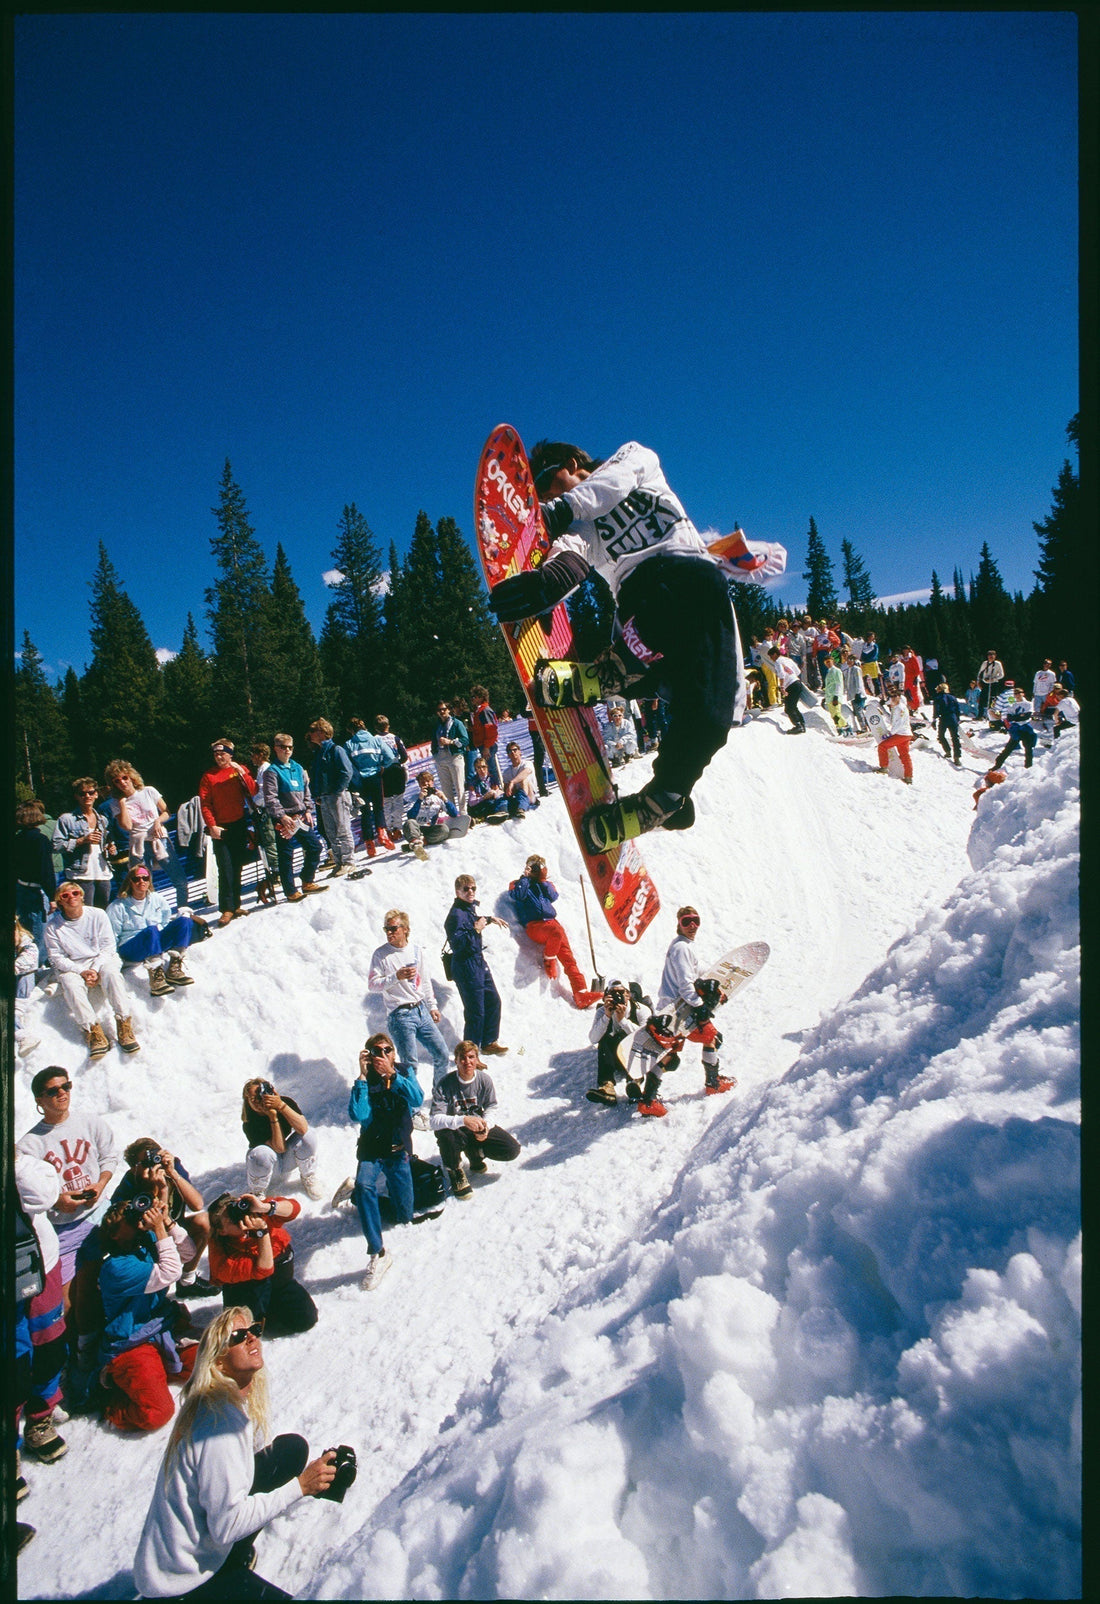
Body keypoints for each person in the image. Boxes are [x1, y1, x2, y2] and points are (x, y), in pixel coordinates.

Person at [488, 439, 785, 851]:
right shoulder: (578, 526)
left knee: (713, 719)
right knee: (666, 609)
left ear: (573, 463)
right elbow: (571, 557)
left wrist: (560, 509)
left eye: (547, 482)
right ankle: (605, 676)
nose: (549, 496)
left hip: (692, 591)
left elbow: (610, 484)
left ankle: (663, 799)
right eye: (542, 497)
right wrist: (547, 584)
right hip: (642, 609)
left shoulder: (635, 459)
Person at [132, 1305, 339, 1600]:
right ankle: (225, 1573)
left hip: (199, 1546)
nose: (253, 1339)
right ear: (218, 1362)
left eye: (254, 1330)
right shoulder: (219, 1427)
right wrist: (301, 1487)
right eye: (239, 1337)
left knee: (290, 1450)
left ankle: (232, 1558)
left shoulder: (223, 1400)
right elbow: (226, 1526)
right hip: (182, 1582)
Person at [16, 1069, 120, 1316]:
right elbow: (24, 1195)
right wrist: (56, 1203)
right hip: (62, 1227)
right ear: (39, 1100)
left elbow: (109, 1157)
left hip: (98, 1213)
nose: (62, 1093)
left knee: (102, 1280)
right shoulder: (29, 1144)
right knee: (65, 1301)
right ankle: (73, 1348)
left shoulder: (90, 1123)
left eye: (66, 1086)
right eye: (52, 1091)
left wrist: (101, 1184)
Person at [94, 1194, 199, 1431]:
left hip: (161, 1329)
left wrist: (167, 1222)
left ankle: (157, 1370)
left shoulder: (146, 1243)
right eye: (128, 1219)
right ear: (114, 1234)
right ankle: (112, 1397)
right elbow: (170, 1273)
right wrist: (160, 1230)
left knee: (208, 1364)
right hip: (131, 1344)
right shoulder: (115, 1267)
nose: (136, 1221)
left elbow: (188, 1253)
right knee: (157, 1413)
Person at [346, 1034, 424, 1289]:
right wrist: (361, 1077)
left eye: (386, 1050)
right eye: (375, 1051)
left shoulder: (403, 1071)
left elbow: (417, 1099)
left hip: (398, 1149)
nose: (382, 1055)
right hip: (371, 1149)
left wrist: (393, 1074)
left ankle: (356, 1194)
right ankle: (377, 1253)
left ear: (393, 1053)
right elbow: (358, 1115)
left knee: (404, 1216)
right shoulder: (365, 1081)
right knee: (366, 1184)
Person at [44, 880, 141, 1055]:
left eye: (75, 893)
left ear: (82, 896)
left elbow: (108, 946)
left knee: (112, 974)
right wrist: (81, 971)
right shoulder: (52, 927)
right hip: (74, 965)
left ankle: (124, 1023)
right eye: (65, 896)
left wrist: (95, 969)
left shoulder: (97, 915)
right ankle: (92, 1030)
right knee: (71, 985)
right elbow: (56, 958)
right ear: (59, 902)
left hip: (101, 959)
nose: (71, 897)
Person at [651, 905, 734, 1107]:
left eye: (696, 920)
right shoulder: (682, 948)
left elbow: (696, 970)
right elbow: (686, 985)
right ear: (678, 924)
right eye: (686, 921)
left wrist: (718, 980)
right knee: (712, 1037)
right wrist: (700, 1007)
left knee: (670, 1055)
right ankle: (713, 1083)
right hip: (678, 1010)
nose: (692, 925)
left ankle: (648, 1099)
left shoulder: (683, 946)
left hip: (673, 1009)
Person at [14, 1151, 68, 1465]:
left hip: (39, 1268)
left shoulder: (22, 1165)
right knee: (13, 1364)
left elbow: (44, 1194)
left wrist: (13, 1163)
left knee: (49, 1346)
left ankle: (40, 1417)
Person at [207, 1192, 318, 1335]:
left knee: (306, 1318)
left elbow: (294, 1209)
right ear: (222, 1231)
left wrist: (265, 1207)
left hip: (279, 1283)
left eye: (239, 1213)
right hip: (247, 1290)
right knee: (245, 1330)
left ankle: (271, 1311)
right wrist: (262, 1232)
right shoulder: (222, 1257)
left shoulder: (257, 1214)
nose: (241, 1219)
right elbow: (263, 1269)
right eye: (232, 1220)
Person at [112, 1137, 214, 1294]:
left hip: (172, 1228)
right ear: (134, 1168)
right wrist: (153, 1188)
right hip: (145, 1237)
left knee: (204, 1221)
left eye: (156, 1158)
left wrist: (173, 1173)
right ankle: (156, 1288)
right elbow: (153, 1222)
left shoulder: (171, 1168)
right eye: (146, 1163)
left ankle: (187, 1280)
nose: (154, 1166)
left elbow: (197, 1205)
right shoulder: (131, 1181)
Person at [368, 910, 450, 1089]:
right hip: (400, 1015)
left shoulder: (416, 951)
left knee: (442, 1054)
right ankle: (412, 1110)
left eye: (393, 928)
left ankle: (440, 1099)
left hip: (421, 1010)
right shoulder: (380, 954)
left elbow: (425, 981)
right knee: (409, 1065)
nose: (389, 932)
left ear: (405, 929)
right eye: (386, 929)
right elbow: (373, 985)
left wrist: (433, 1006)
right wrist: (396, 976)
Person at [508, 853, 601, 1009]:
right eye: (533, 865)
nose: (536, 869)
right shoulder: (517, 883)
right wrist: (525, 877)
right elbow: (518, 894)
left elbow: (553, 896)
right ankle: (549, 959)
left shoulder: (544, 885)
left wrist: (542, 879)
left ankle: (581, 993)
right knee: (556, 931)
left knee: (568, 957)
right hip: (535, 926)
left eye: (540, 866)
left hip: (552, 925)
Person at [430, 1041, 521, 1199]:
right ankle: (455, 1169)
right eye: (462, 1058)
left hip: (477, 1128)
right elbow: (434, 1120)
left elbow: (492, 1106)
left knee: (511, 1149)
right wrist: (463, 1120)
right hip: (456, 1131)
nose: (467, 1062)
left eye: (471, 1057)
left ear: (477, 1059)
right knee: (444, 1133)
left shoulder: (484, 1080)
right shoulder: (445, 1084)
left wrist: (486, 1127)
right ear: (456, 1061)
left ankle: (475, 1152)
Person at [102, 759, 192, 909]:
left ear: (131, 776)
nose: (122, 782)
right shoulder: (115, 803)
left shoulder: (148, 791)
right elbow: (127, 826)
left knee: (179, 879)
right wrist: (123, 803)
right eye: (117, 781)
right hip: (138, 844)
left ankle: (184, 910)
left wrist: (158, 822)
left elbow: (166, 812)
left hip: (159, 839)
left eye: (125, 778)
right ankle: (152, 914)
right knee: (142, 885)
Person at [107, 861, 197, 995]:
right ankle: (156, 978)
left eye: (145, 878)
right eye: (136, 879)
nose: (141, 881)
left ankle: (174, 968)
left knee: (185, 920)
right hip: (131, 948)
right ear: (130, 882)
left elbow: (166, 921)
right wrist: (115, 962)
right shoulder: (117, 906)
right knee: (151, 930)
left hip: (154, 941)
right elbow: (112, 936)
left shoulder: (157, 899)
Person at [444, 874, 508, 1056]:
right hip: (466, 966)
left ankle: (488, 1042)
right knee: (475, 1012)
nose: (470, 892)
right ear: (457, 892)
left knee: (493, 1001)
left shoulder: (467, 908)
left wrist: (489, 919)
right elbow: (459, 944)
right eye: (466, 889)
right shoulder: (455, 915)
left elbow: (474, 922)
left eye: (473, 888)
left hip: (478, 963)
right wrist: (477, 929)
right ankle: (468, 1055)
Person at [199, 740, 258, 926]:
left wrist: (241, 772)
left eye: (222, 753)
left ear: (230, 754)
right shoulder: (208, 775)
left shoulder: (238, 769)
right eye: (216, 754)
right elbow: (205, 803)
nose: (219, 757)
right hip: (221, 827)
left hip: (238, 823)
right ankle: (226, 908)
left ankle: (236, 904)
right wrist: (212, 825)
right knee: (225, 867)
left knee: (238, 865)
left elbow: (253, 789)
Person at [262, 734, 327, 903]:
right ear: (276, 748)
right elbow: (270, 798)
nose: (287, 750)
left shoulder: (298, 768)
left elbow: (306, 790)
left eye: (290, 747)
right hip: (283, 819)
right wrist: (282, 816)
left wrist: (307, 809)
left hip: (300, 817)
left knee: (314, 847)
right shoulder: (272, 772)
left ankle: (307, 880)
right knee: (286, 855)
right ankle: (290, 891)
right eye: (283, 747)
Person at [241, 1077, 323, 1201]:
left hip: (286, 1159)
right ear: (247, 1101)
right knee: (261, 1153)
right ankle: (257, 1190)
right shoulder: (249, 1123)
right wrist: (273, 1116)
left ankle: (308, 1176)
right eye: (253, 1100)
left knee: (308, 1136)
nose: (258, 1102)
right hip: (266, 1165)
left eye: (261, 1096)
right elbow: (279, 1148)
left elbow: (303, 1128)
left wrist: (281, 1106)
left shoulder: (284, 1103)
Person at [585, 979, 652, 1105]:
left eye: (621, 992)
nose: (618, 996)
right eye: (613, 993)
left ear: (628, 994)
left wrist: (623, 1021)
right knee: (605, 1038)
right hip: (613, 1056)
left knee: (626, 1035)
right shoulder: (602, 1011)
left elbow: (647, 1039)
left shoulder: (641, 1010)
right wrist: (606, 1017)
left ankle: (634, 1082)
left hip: (635, 1055)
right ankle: (607, 1086)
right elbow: (593, 1039)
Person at [52, 777, 116, 908]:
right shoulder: (66, 819)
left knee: (102, 913)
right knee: (85, 914)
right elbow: (55, 845)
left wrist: (110, 847)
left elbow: (106, 842)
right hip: (80, 875)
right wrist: (81, 840)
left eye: (91, 792)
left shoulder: (103, 820)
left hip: (103, 873)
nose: (87, 796)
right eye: (82, 793)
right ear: (76, 796)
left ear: (96, 794)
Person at [306, 718, 356, 876]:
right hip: (325, 797)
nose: (310, 735)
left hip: (337, 795)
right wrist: (317, 795)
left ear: (321, 732)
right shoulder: (319, 752)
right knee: (330, 831)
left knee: (342, 829)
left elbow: (346, 771)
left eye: (313, 731)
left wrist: (337, 790)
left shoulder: (336, 749)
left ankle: (348, 861)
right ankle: (338, 861)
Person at [345, 717, 398, 858]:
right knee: (379, 807)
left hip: (360, 781)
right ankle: (382, 834)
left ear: (351, 730)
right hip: (375, 776)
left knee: (365, 810)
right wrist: (382, 766)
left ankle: (369, 843)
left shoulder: (349, 744)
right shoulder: (376, 740)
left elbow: (347, 765)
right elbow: (390, 756)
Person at [15, 798, 57, 965]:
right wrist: (52, 896)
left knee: (23, 931)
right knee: (39, 933)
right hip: (36, 891)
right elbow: (46, 871)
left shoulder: (17, 839)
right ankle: (37, 967)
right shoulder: (41, 840)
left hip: (20, 888)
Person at [402, 768, 470, 854]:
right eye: (423, 782)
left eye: (428, 781)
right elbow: (410, 816)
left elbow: (454, 814)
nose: (426, 784)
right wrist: (419, 800)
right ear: (419, 784)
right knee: (409, 822)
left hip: (430, 829)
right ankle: (415, 841)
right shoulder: (414, 798)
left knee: (444, 829)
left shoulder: (438, 797)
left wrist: (445, 799)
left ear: (432, 782)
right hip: (417, 828)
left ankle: (421, 842)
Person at [247, 742, 280, 904]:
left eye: (253, 754)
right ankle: (274, 872)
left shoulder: (265, 769)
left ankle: (275, 873)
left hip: (265, 811)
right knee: (267, 842)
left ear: (260, 754)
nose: (251, 757)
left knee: (269, 842)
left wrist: (254, 803)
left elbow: (263, 792)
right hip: (262, 811)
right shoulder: (261, 770)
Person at [374, 714, 410, 839]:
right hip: (397, 770)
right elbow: (405, 756)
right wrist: (397, 763)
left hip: (384, 773)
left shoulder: (374, 740)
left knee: (387, 802)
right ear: (388, 726)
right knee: (399, 801)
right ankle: (398, 829)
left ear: (375, 728)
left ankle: (388, 829)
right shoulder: (395, 737)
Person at [430, 699, 469, 814]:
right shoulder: (436, 725)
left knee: (459, 787)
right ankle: (452, 813)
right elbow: (433, 741)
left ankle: (463, 813)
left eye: (444, 709)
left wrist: (451, 742)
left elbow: (465, 740)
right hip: (441, 759)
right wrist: (435, 753)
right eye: (439, 710)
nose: (442, 712)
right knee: (446, 789)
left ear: (449, 710)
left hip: (455, 757)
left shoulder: (456, 723)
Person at [874, 686, 914, 784]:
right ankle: (908, 777)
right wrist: (880, 707)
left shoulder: (900, 708)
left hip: (901, 734)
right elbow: (891, 720)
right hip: (905, 734)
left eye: (895, 697)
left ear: (899, 697)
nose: (893, 699)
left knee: (882, 746)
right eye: (891, 697)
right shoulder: (895, 706)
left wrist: (890, 734)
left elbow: (899, 723)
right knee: (905, 755)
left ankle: (884, 767)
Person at [15, 915, 42, 1056]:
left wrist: (12, 968)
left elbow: (29, 959)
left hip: (22, 985)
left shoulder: (27, 944)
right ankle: (21, 1035)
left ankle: (22, 1035)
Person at [993, 688, 1038, 770]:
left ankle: (1028, 767)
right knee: (1008, 749)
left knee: (1028, 750)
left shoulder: (1028, 704)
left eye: (1019, 693)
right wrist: (1020, 716)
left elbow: (1027, 716)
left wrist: (1016, 717)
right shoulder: (1012, 705)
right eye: (1015, 693)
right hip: (1016, 729)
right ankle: (997, 765)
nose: (1017, 695)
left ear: (1023, 694)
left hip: (1026, 728)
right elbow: (1009, 718)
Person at [468, 685, 503, 786]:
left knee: (491, 769)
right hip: (483, 745)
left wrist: (487, 747)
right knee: (489, 769)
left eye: (474, 697)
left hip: (488, 745)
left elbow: (491, 729)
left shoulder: (485, 710)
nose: (472, 699)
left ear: (480, 697)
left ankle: (498, 789)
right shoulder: (479, 711)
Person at [768, 645, 806, 734]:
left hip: (790, 685)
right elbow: (798, 671)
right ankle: (802, 724)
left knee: (788, 708)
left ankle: (798, 726)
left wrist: (782, 687)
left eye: (771, 656)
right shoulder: (788, 659)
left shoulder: (777, 661)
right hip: (797, 682)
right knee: (793, 706)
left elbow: (781, 674)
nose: (771, 658)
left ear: (775, 654)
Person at [499, 739, 540, 815]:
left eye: (515, 750)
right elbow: (507, 789)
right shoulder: (506, 772)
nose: (513, 752)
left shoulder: (527, 763)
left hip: (530, 796)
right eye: (510, 751)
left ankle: (521, 808)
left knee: (523, 780)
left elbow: (526, 772)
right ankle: (502, 811)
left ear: (519, 752)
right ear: (508, 755)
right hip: (516, 796)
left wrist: (512, 782)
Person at [466, 755, 508, 821]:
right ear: (476, 769)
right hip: (480, 804)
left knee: (503, 800)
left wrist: (494, 793)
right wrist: (483, 797)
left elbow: (497, 792)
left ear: (487, 767)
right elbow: (471, 802)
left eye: (483, 767)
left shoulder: (492, 778)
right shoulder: (473, 782)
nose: (482, 770)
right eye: (478, 768)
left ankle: (501, 812)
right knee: (489, 803)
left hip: (492, 801)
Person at [933, 681, 963, 765]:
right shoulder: (953, 697)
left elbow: (936, 710)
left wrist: (934, 719)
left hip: (943, 718)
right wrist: (957, 719)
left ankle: (948, 751)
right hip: (953, 718)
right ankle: (957, 757)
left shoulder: (938, 698)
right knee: (955, 737)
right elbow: (958, 709)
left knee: (941, 736)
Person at [976, 650, 1005, 718]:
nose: (991, 657)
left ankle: (991, 715)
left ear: (995, 656)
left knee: (992, 699)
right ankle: (980, 715)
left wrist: (994, 678)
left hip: (993, 683)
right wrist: (978, 681)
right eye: (989, 655)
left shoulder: (998, 664)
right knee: (982, 699)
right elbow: (980, 672)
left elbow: (1002, 674)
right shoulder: (985, 663)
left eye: (992, 655)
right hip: (985, 683)